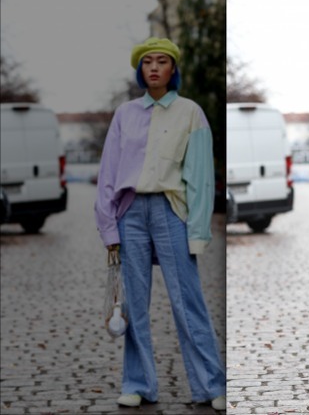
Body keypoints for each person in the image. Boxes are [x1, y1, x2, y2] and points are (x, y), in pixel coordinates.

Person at [94, 37, 227, 411]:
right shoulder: (125, 114)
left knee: (189, 303)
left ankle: (210, 385)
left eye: (162, 61)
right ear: (140, 70)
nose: (154, 68)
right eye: (148, 62)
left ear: (173, 69)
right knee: (135, 305)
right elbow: (108, 171)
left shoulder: (190, 112)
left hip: (173, 211)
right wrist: (109, 227)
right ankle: (138, 384)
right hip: (131, 213)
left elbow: (199, 178)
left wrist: (198, 232)